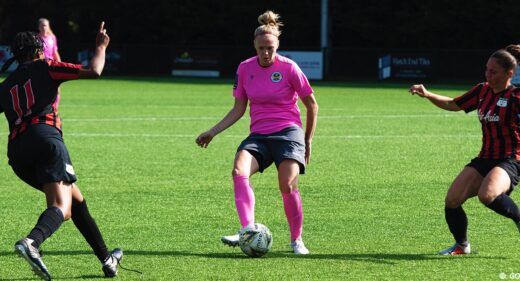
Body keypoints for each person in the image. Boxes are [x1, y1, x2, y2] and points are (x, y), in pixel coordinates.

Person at [0, 22, 122, 280]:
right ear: (37, 51)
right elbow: (95, 71)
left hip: (17, 153)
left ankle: (107, 259)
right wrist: (100, 46)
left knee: (76, 201)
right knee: (61, 207)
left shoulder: (7, 83)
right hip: (45, 140)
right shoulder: (46, 66)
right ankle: (32, 242)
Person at [195, 10, 318, 255]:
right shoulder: (244, 69)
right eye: (261, 48)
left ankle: (297, 241)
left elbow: (312, 104)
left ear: (277, 46)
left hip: (288, 133)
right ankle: (247, 230)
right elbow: (238, 109)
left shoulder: (290, 68)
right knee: (238, 171)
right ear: (254, 45)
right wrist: (213, 131)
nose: (265, 53)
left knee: (288, 186)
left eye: (270, 48)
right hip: (259, 136)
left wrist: (307, 140)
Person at [409, 44, 520, 255]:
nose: (487, 74)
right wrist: (427, 94)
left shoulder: (516, 97)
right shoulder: (482, 90)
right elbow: (453, 104)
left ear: (509, 74)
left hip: (511, 159)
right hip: (485, 157)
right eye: (486, 69)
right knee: (452, 200)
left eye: (493, 71)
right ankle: (462, 245)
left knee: (487, 195)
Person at [38, 18, 62, 110]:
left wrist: (60, 64)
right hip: (42, 67)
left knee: (57, 90)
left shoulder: (52, 38)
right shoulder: (37, 38)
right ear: (39, 27)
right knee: (43, 90)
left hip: (52, 66)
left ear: (48, 27)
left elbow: (55, 52)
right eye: (42, 25)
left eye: (46, 25)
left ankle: (55, 109)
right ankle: (43, 109)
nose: (44, 27)